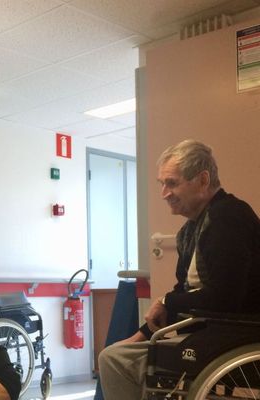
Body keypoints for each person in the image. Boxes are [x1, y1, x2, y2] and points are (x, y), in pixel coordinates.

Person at [98, 139, 260, 399]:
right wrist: (141, 334)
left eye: (172, 183)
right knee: (117, 353)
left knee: (115, 360)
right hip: (209, 330)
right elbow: (183, 293)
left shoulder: (228, 217)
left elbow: (225, 296)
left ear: (203, 180)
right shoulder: (191, 229)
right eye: (161, 184)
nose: (164, 193)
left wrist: (167, 301)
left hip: (235, 331)